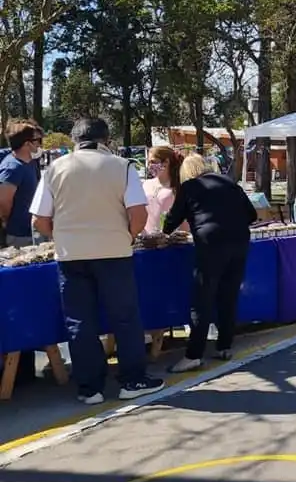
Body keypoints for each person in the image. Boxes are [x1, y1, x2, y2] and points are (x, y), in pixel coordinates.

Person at [29, 118, 164, 404]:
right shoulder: (122, 166)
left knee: (80, 321)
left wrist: (63, 236)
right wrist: (126, 236)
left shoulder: (54, 169)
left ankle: (90, 388)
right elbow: (138, 215)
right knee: (125, 318)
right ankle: (132, 380)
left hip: (71, 255)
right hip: (114, 251)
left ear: (74, 140)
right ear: (106, 139)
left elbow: (39, 219)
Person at [164, 154, 257, 373]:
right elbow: (251, 215)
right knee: (228, 296)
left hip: (210, 244)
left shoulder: (189, 187)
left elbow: (171, 220)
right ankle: (224, 346)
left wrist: (165, 232)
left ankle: (193, 355)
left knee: (202, 300)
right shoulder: (229, 183)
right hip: (239, 242)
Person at [0, 120, 43, 247]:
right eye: (38, 141)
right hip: (19, 237)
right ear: (26, 144)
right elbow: (3, 203)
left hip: (32, 232)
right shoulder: (11, 168)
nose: (40, 145)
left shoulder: (32, 162)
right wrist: (8, 222)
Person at [143, 146, 185, 233]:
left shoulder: (178, 187)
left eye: (153, 162)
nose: (150, 166)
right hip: (146, 240)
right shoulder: (145, 184)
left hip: (170, 241)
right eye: (149, 162)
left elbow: (184, 220)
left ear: (166, 162)